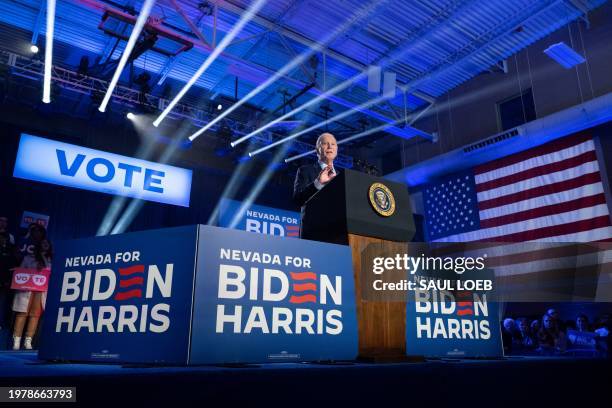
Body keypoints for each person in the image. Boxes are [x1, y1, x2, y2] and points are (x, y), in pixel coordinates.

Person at [12, 238, 52, 350]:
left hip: (41, 290)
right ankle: (16, 340)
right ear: (39, 245)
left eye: (47, 243)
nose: (45, 244)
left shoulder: (51, 260)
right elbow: (21, 272)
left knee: (35, 316)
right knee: (22, 314)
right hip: (26, 290)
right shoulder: (29, 258)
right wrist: (18, 271)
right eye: (43, 243)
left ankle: (28, 341)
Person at [293, 132, 338, 208]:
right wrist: (318, 183)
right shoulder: (305, 170)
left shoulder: (340, 175)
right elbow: (297, 200)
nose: (330, 146)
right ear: (317, 150)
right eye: (325, 144)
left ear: (336, 149)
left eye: (333, 144)